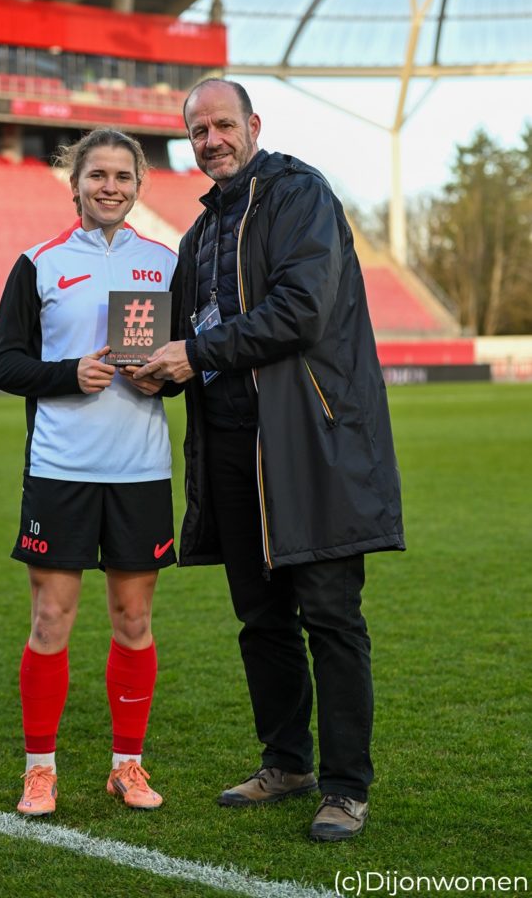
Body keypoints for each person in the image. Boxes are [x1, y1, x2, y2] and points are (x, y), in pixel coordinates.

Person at [134, 79, 405, 842]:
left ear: (252, 124)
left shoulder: (297, 195)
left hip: (308, 439)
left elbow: (299, 310)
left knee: (330, 615)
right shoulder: (199, 232)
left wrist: (194, 353)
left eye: (223, 125)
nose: (211, 141)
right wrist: (148, 366)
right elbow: (182, 332)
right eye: (197, 132)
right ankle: (286, 762)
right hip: (228, 444)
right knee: (260, 618)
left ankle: (346, 787)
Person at [0, 128, 177, 817]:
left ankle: (127, 766)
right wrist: (68, 374)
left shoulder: (166, 262)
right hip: (60, 467)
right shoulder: (38, 263)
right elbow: (1, 362)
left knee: (133, 617)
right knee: (50, 617)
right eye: (97, 175)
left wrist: (164, 379)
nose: (110, 187)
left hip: (140, 469)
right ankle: (40, 770)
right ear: (76, 184)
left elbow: (188, 359)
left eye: (123, 176)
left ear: (138, 185)